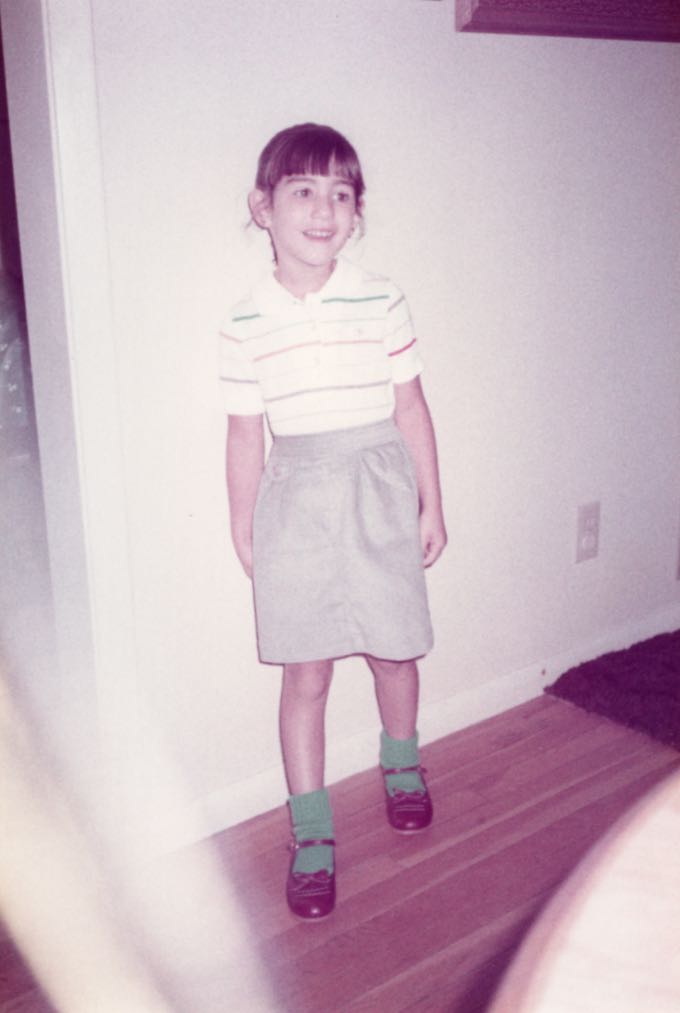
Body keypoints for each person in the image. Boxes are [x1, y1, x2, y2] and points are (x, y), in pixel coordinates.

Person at [220, 123, 447, 920]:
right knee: (306, 673)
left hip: (378, 485)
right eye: (304, 190)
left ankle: (402, 763)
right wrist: (243, 523)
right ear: (264, 207)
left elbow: (410, 405)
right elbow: (244, 433)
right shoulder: (245, 321)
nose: (324, 209)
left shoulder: (382, 296)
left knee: (394, 649)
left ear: (356, 213)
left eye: (341, 194)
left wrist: (432, 499)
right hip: (296, 501)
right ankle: (312, 831)